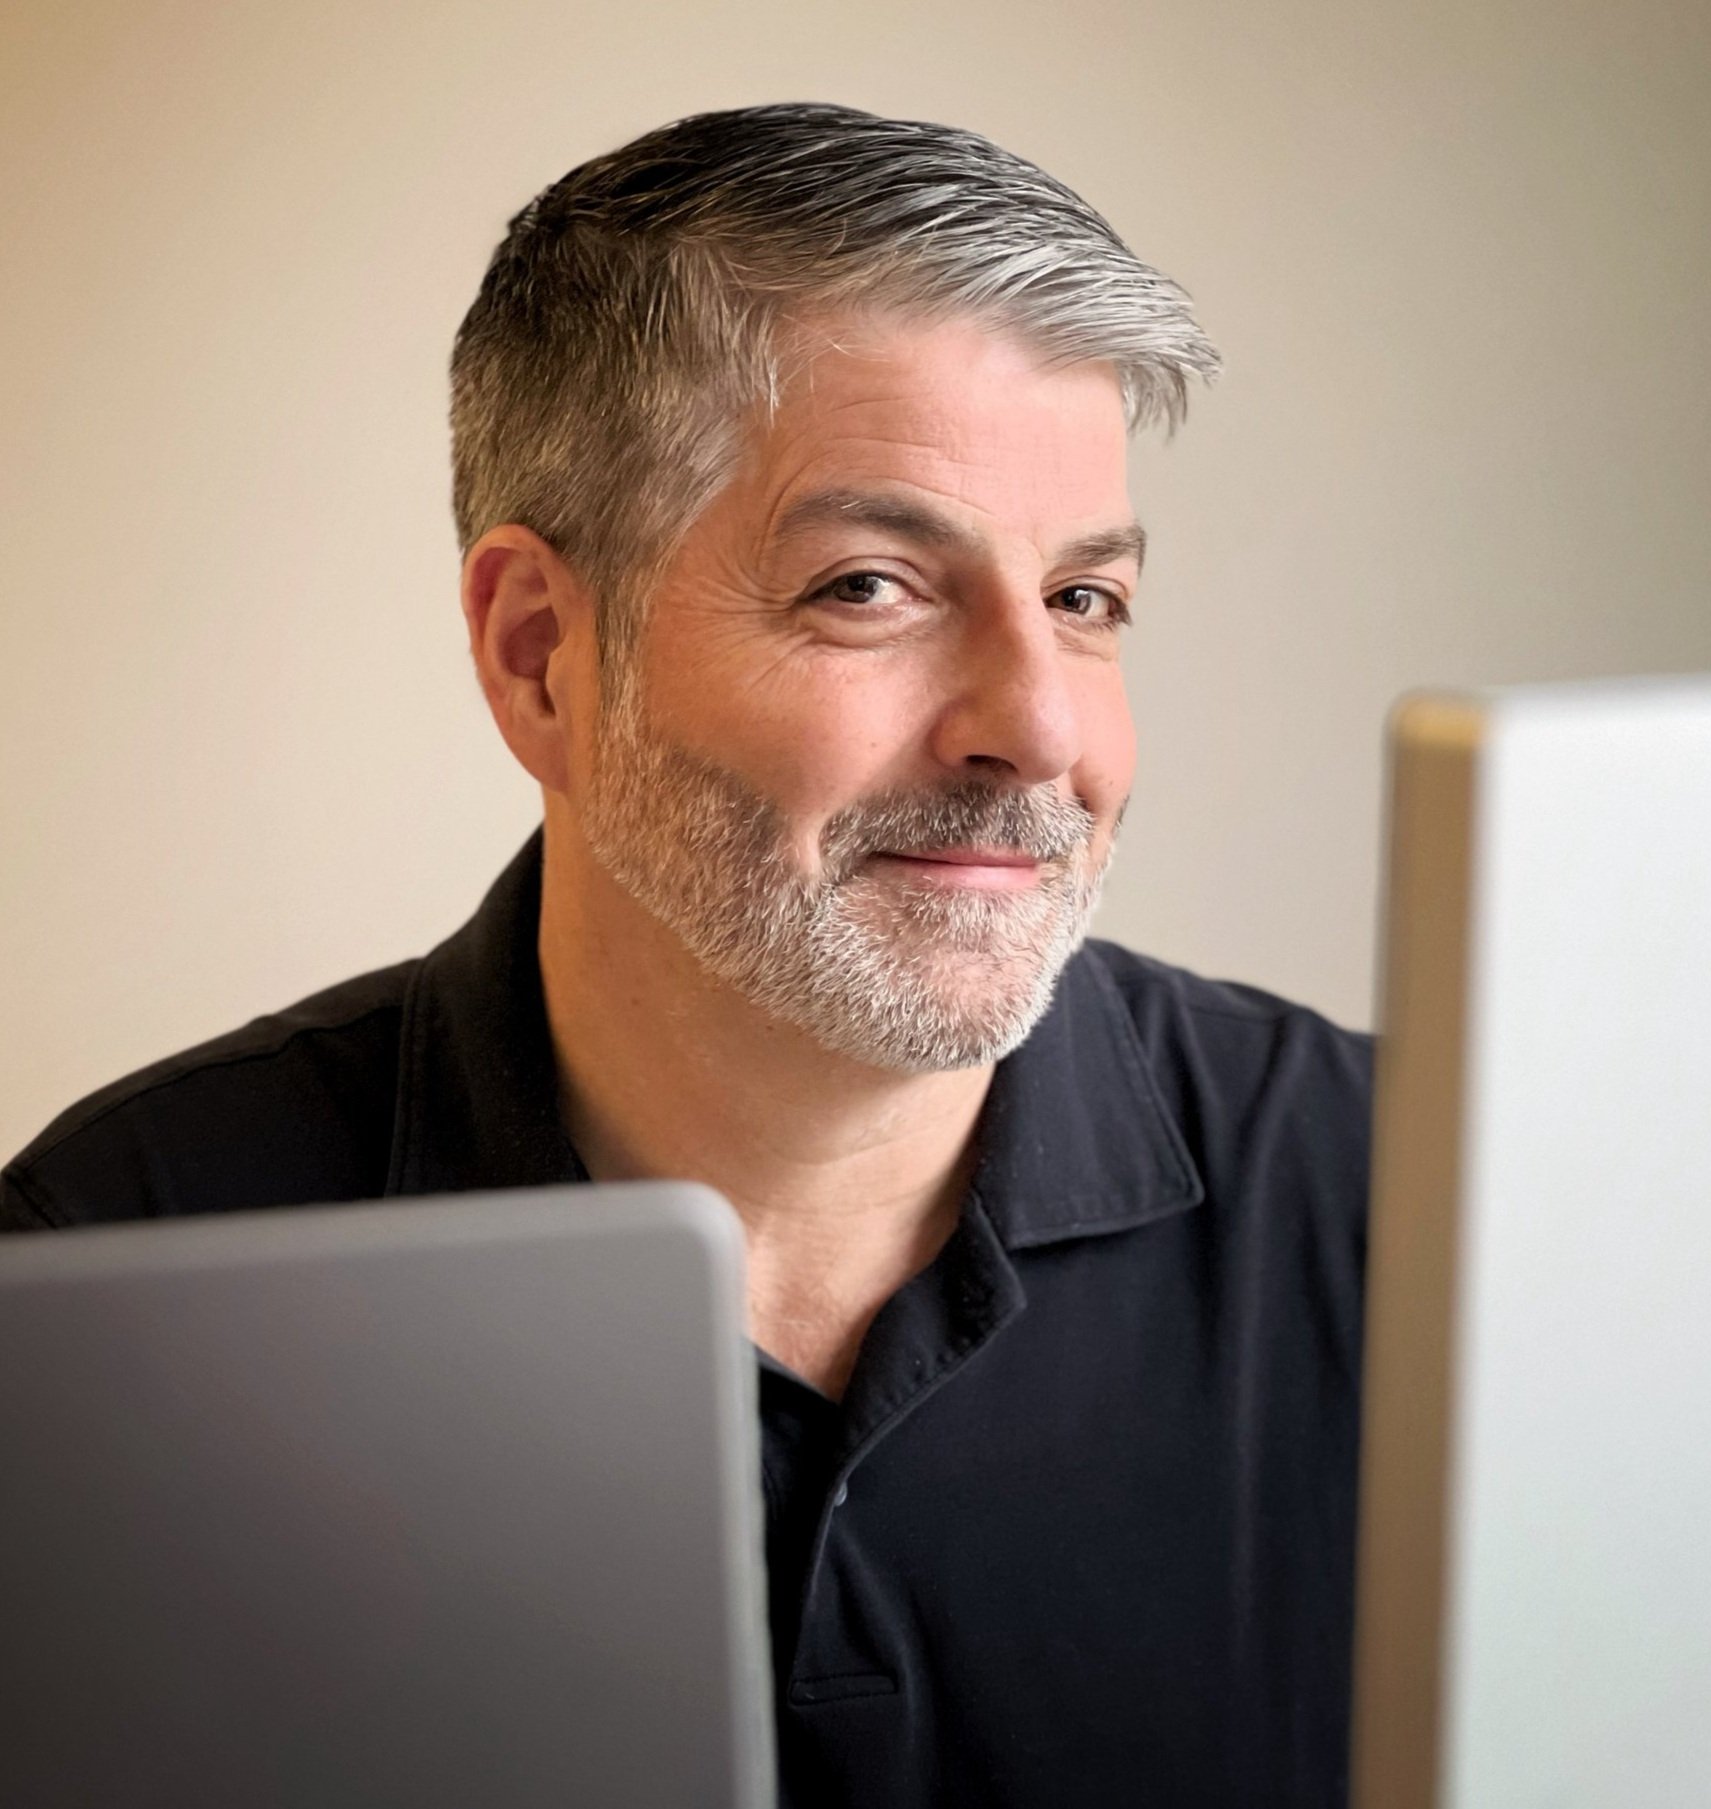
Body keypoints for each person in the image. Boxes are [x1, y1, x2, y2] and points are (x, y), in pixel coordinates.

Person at [2, 104, 1372, 1806]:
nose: (1036, 728)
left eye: (1084, 602)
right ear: (538, 658)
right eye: (869, 585)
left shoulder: (1405, 1210)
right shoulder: (110, 1276)